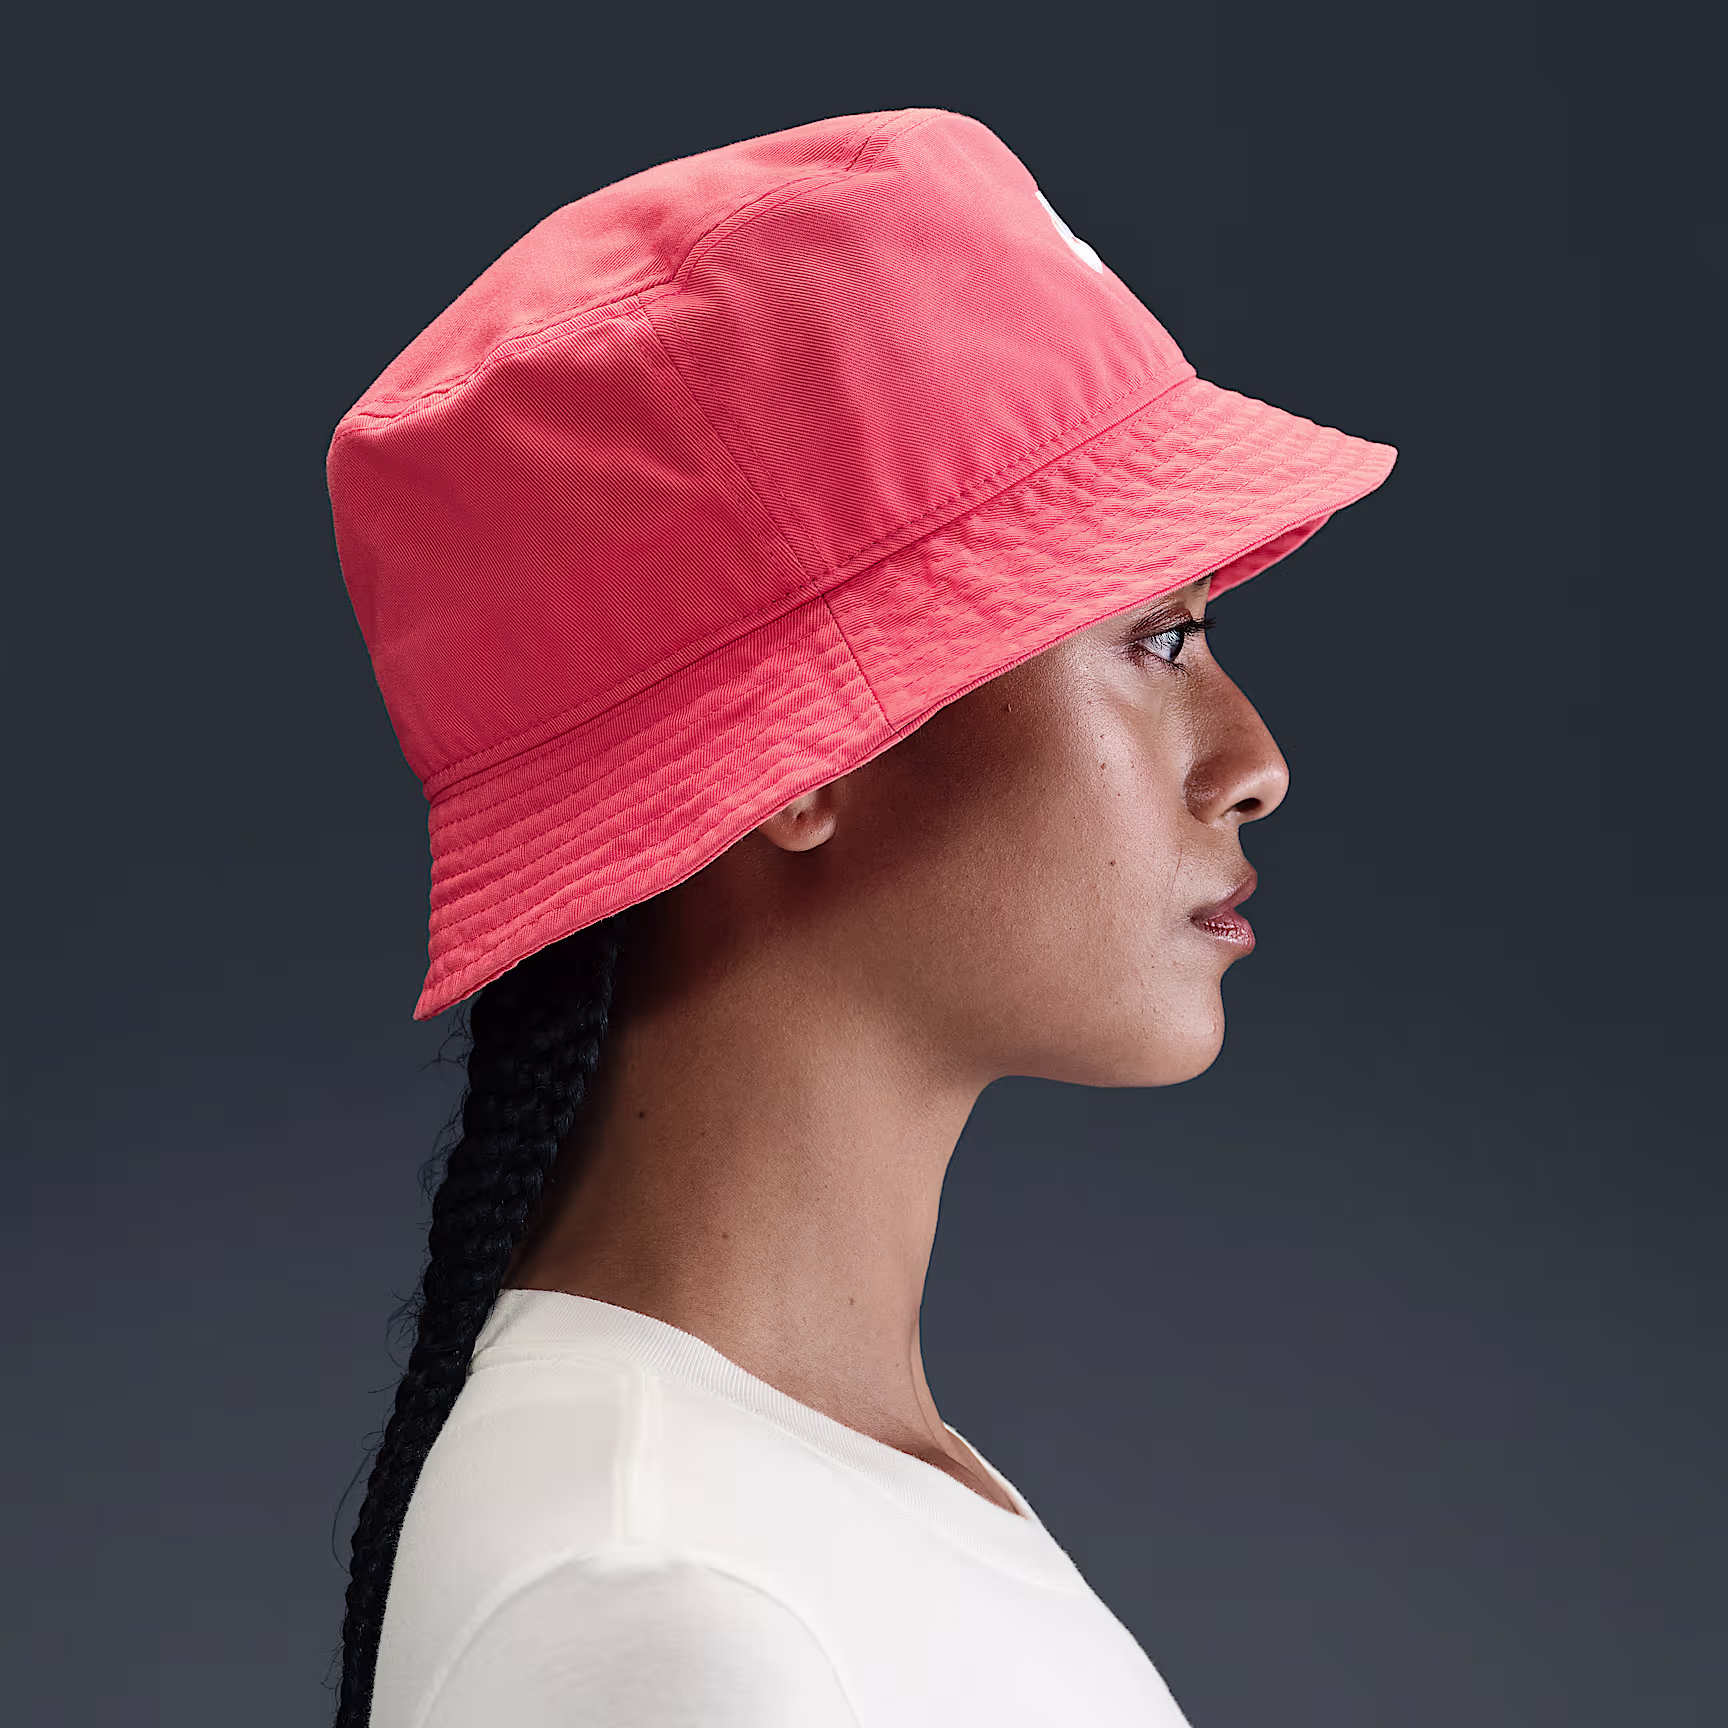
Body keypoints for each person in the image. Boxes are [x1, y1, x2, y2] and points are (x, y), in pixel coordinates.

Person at [325, 108, 1396, 1727]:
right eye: (1158, 640)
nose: (1256, 764)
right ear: (795, 764)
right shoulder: (669, 1601)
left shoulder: (799, 1505)